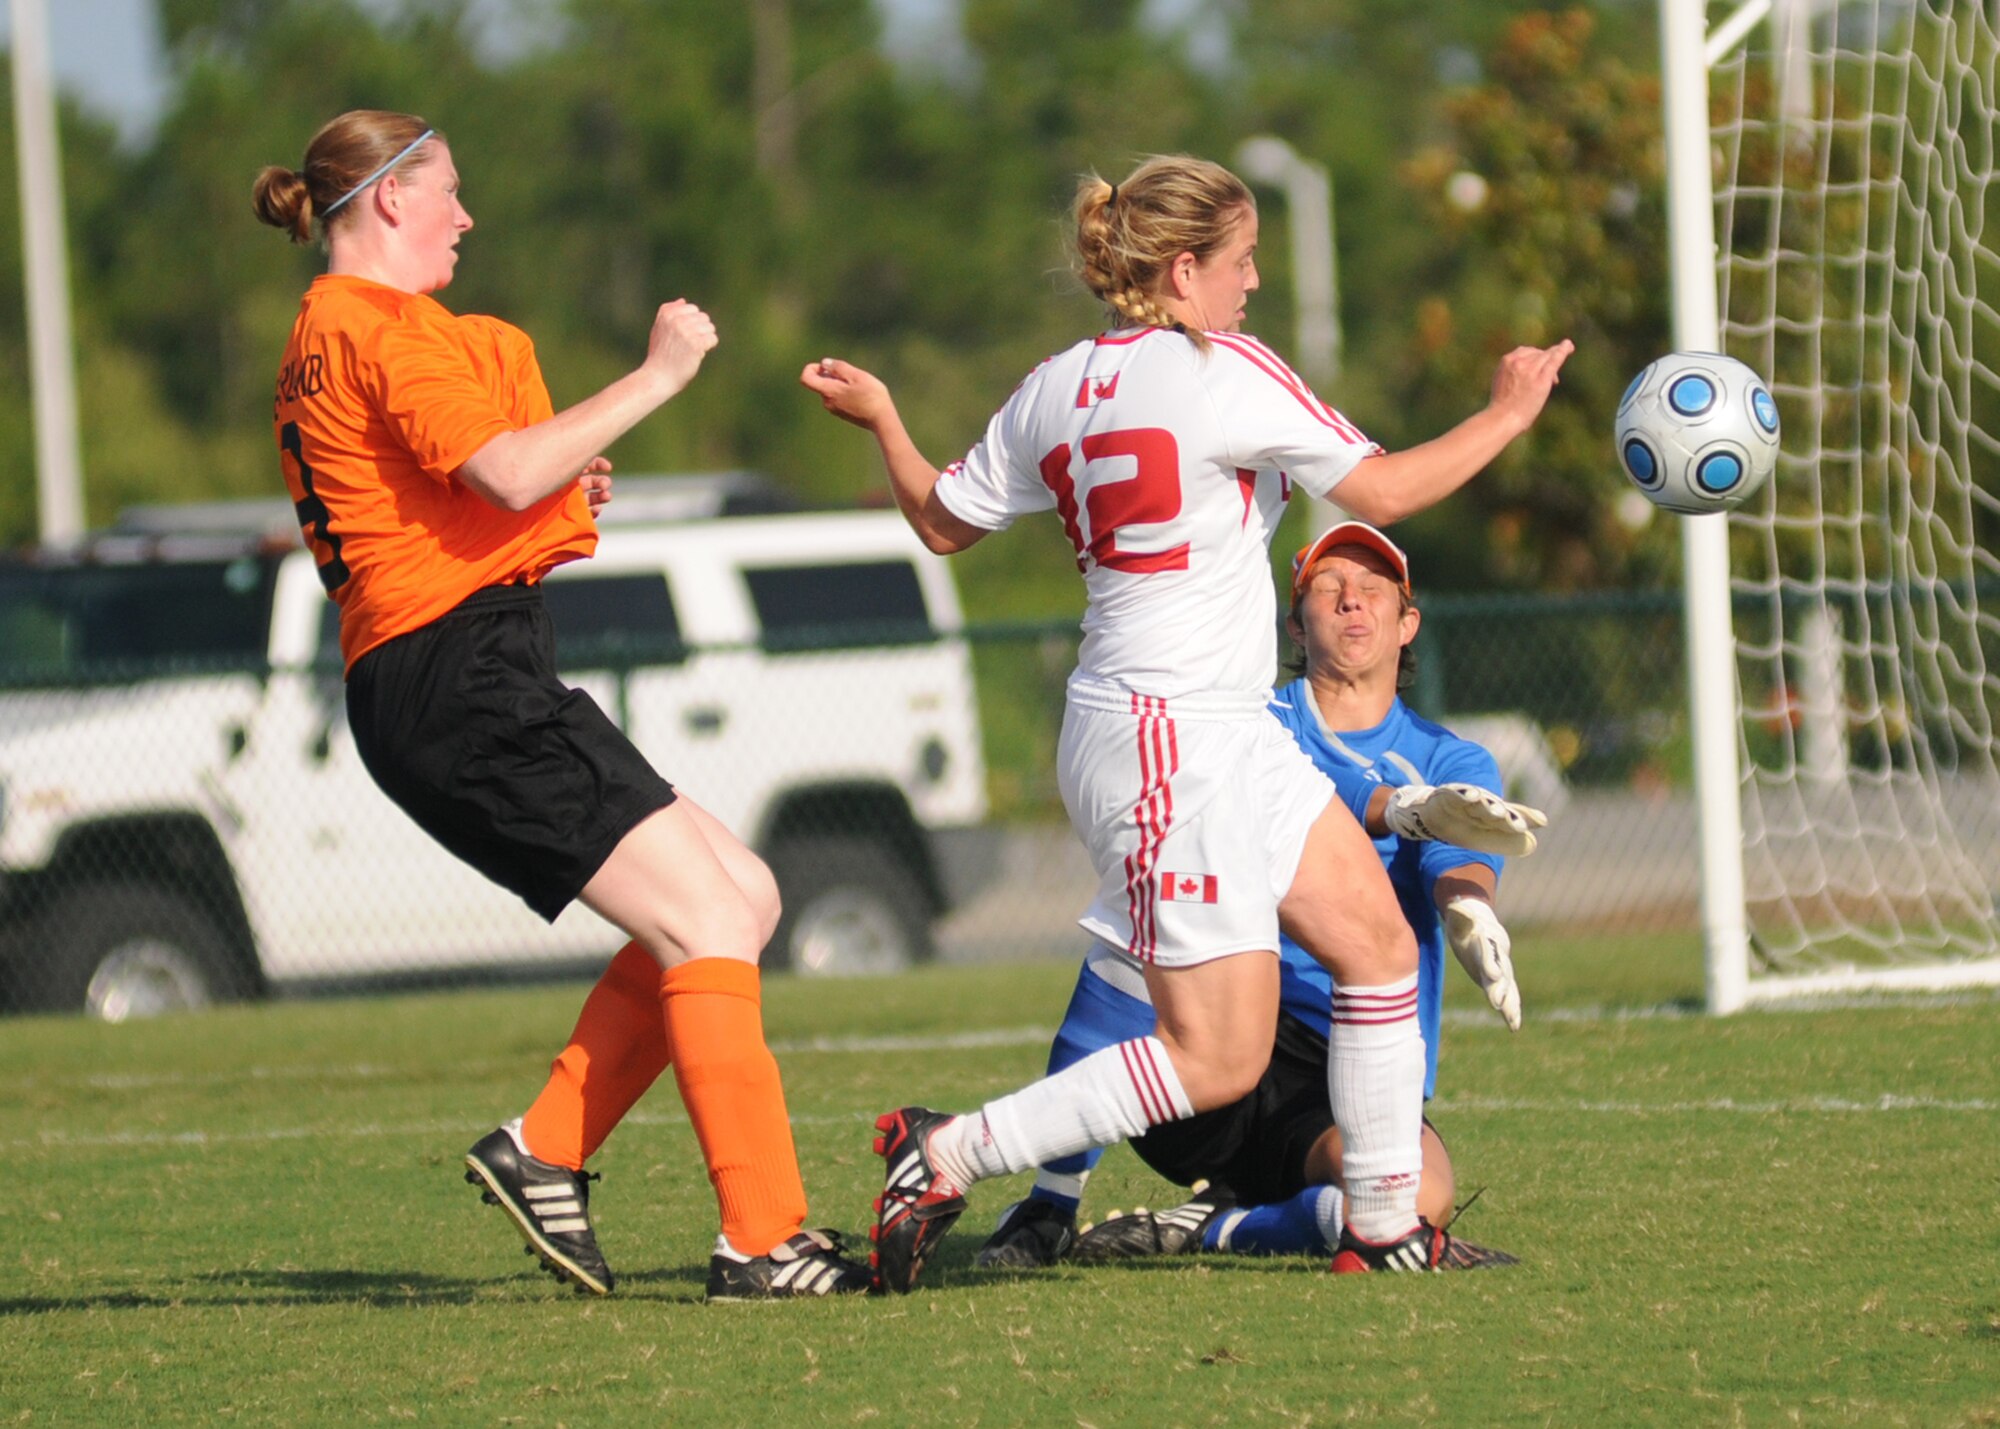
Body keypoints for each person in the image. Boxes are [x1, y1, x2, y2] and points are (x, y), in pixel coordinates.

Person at [802, 153, 1570, 1290]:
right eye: (1243, 260)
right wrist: (1506, 414)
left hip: (1203, 725)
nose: (1253, 283)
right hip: (1168, 733)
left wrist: (884, 418)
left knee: (1367, 942)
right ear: (1181, 268)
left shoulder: (1054, 382)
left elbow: (941, 520)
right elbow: (1385, 492)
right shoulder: (1221, 373)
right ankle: (948, 1150)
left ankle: (1378, 1225)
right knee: (1217, 1054)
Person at [253, 110, 868, 1301]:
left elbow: (463, 487)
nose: (464, 217)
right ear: (388, 199)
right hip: (453, 675)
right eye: (448, 192)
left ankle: (545, 1145)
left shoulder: (331, 330)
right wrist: (656, 375)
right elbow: (504, 470)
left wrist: (541, 482)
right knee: (702, 917)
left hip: (453, 666)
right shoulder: (380, 327)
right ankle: (763, 1238)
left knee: (742, 893)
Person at [980, 521, 1525, 1271]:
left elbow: (1460, 850)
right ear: (1295, 621)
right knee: (1136, 926)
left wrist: (1471, 909)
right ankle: (1048, 1201)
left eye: (1374, 591)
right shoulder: (1245, 720)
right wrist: (1396, 807)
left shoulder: (1451, 756)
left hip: (1343, 1061)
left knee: (1421, 1200)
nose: (1352, 604)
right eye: (1328, 590)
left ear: (1409, 622)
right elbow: (1329, 784)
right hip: (1215, 1021)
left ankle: (1215, 1228)